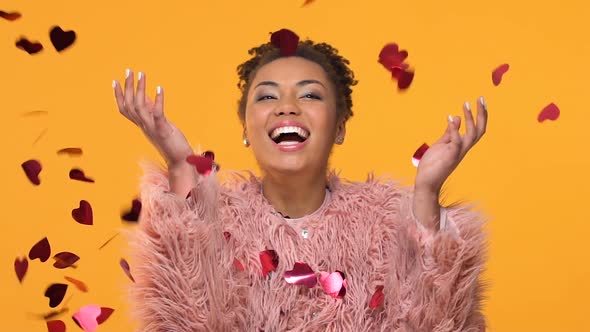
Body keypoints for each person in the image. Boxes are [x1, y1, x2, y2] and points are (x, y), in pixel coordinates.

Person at [113, 29, 488, 331]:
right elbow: (185, 321)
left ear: (339, 127)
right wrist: (180, 164)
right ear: (246, 128)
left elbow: (437, 323)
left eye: (309, 94)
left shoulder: (387, 220)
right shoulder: (213, 220)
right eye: (266, 97)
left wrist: (426, 193)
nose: (287, 106)